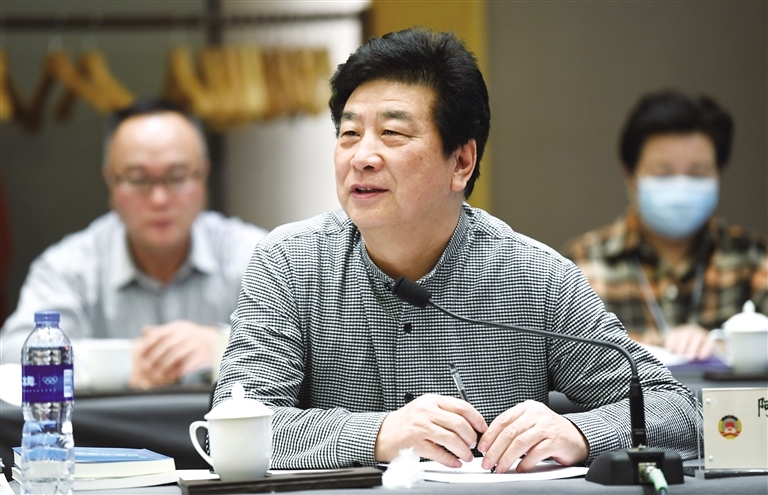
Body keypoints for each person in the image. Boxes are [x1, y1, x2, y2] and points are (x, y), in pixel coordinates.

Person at [213, 28, 700, 474]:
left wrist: (578, 433)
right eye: (349, 133)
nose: (362, 157)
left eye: (392, 133)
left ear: (461, 161)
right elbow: (233, 427)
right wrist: (380, 435)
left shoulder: (535, 277)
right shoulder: (290, 263)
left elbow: (678, 410)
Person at [0, 98, 268, 388]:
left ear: (203, 175)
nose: (159, 199)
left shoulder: (256, 255)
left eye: (177, 177)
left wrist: (224, 346)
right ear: (111, 182)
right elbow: (13, 359)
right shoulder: (68, 267)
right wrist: (120, 363)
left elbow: (304, 352)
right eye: (138, 179)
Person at [562, 90, 768, 361]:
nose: (680, 187)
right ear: (630, 176)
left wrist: (723, 345)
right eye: (663, 173)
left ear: (719, 173)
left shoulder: (752, 258)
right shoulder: (580, 265)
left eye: (697, 173)